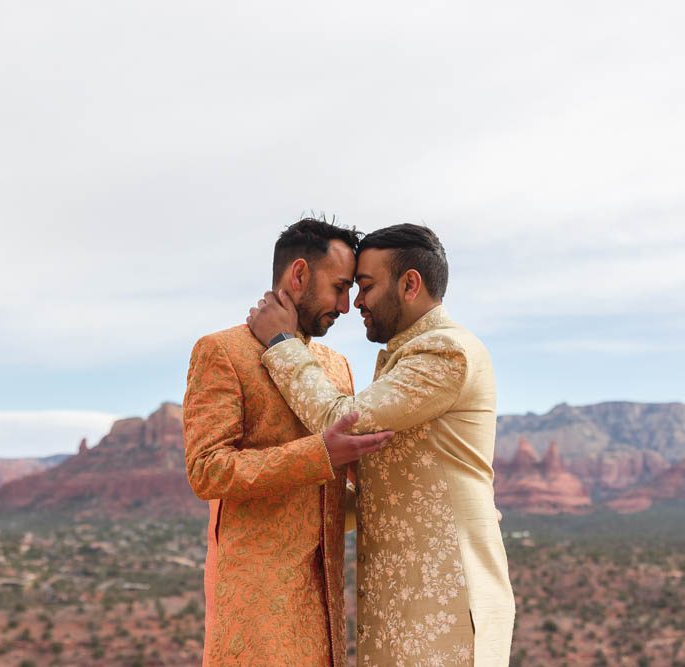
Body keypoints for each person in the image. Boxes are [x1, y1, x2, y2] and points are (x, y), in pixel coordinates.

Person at [248, 223, 515, 666]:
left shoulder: (444, 352)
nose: (356, 303)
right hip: (410, 603)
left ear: (410, 284)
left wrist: (280, 342)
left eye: (366, 286)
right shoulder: (404, 358)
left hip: (445, 600)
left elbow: (340, 421)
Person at [183, 218, 392, 667]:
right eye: (337, 287)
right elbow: (207, 470)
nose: (345, 304)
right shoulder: (222, 352)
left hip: (328, 610)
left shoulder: (337, 367)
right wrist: (319, 455)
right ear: (298, 275)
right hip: (256, 614)